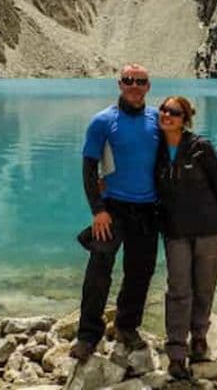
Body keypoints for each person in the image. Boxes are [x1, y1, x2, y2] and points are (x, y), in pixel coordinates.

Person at [70, 63, 161, 362]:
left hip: (148, 209)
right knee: (99, 270)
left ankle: (126, 326)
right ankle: (88, 335)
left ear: (148, 86)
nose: (134, 85)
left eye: (140, 81)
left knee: (140, 272)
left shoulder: (158, 120)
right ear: (119, 84)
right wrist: (98, 210)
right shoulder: (102, 121)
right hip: (112, 208)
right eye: (128, 80)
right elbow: (88, 167)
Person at [155, 95, 217, 379]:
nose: (167, 115)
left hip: (209, 230)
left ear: (185, 119)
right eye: (163, 110)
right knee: (178, 289)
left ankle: (200, 337)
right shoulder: (154, 148)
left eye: (174, 112)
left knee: (204, 286)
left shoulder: (201, 147)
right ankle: (177, 352)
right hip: (175, 231)